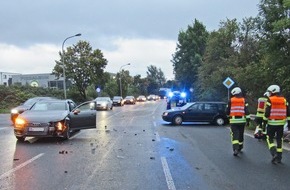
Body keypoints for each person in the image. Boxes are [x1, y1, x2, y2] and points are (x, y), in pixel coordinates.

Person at [264, 85, 290, 164]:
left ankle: (273, 152)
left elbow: (267, 113)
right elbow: (288, 112)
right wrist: (289, 123)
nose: (269, 93)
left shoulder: (270, 100)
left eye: (270, 92)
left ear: (273, 91)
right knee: (280, 139)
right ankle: (279, 157)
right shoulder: (284, 100)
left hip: (272, 123)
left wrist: (264, 122)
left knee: (269, 138)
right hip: (281, 123)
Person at [226, 87, 250, 156]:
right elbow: (247, 111)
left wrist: (228, 116)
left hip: (233, 120)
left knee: (235, 135)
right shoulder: (244, 100)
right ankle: (240, 147)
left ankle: (235, 149)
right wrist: (248, 120)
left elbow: (227, 111)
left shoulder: (231, 100)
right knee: (241, 134)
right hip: (242, 121)